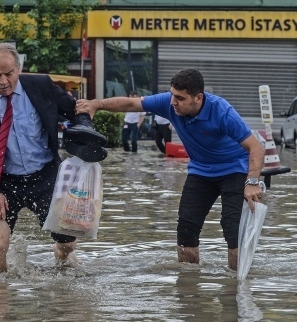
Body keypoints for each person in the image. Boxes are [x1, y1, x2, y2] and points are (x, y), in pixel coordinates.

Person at [75, 68, 265, 270]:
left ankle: (236, 284)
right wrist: (96, 104)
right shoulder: (169, 103)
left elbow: (256, 148)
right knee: (186, 228)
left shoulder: (222, 112)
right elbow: (131, 104)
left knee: (232, 227)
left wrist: (252, 182)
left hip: (233, 169)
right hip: (201, 171)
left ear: (198, 98)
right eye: (172, 95)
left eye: (180, 98)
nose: (173, 102)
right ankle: (189, 285)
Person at [0, 43, 106, 273]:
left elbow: (76, 112)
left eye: (9, 73)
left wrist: (85, 133)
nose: (3, 81)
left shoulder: (41, 86)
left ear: (19, 68)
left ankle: (61, 254)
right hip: (2, 184)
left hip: (46, 178)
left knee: (68, 243)